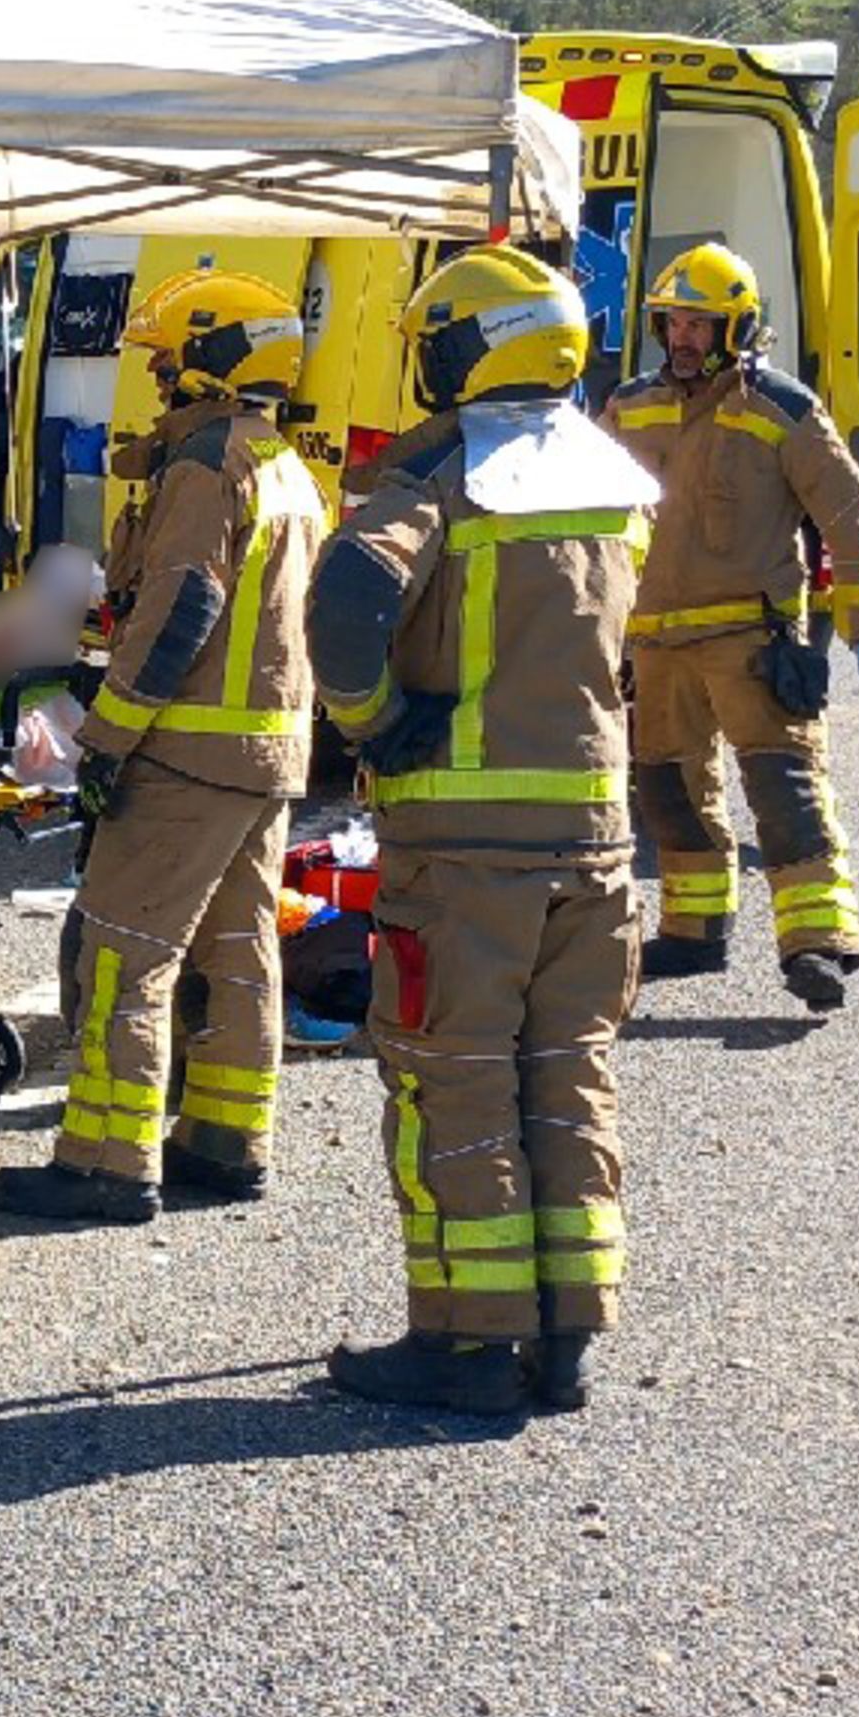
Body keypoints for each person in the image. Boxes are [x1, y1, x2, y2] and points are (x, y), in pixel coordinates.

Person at [308, 246, 657, 1415]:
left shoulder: (440, 475)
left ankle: (465, 1344)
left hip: (465, 852)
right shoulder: (613, 478)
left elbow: (347, 597)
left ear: (466, 351)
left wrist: (372, 721)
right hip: (595, 845)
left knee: (452, 1085)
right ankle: (566, 1342)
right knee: (569, 1080)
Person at [0, 271, 322, 1228]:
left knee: (121, 953)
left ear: (211, 363)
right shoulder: (285, 466)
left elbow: (184, 608)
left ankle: (106, 1161)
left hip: (187, 756)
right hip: (265, 755)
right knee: (239, 952)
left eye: (169, 361)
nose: (159, 378)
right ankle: (224, 1140)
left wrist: (107, 740)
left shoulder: (205, 466)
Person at [601, 243, 859, 1012]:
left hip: (751, 642)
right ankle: (695, 934)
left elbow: (848, 509)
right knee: (669, 794)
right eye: (674, 323)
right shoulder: (628, 406)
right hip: (655, 645)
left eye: (700, 324)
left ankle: (819, 944)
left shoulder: (780, 409)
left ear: (736, 328)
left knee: (785, 791)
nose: (683, 338)